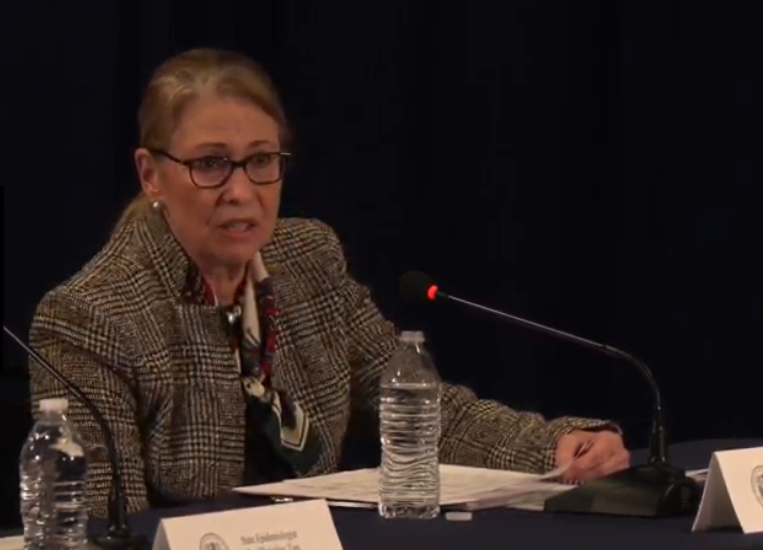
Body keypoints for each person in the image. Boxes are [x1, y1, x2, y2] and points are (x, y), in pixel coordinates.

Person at [28, 48, 629, 518]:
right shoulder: (91, 316)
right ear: (150, 174)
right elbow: (103, 524)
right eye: (210, 163)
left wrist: (554, 449)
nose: (241, 191)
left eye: (261, 160)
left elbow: (416, 409)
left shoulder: (307, 259)